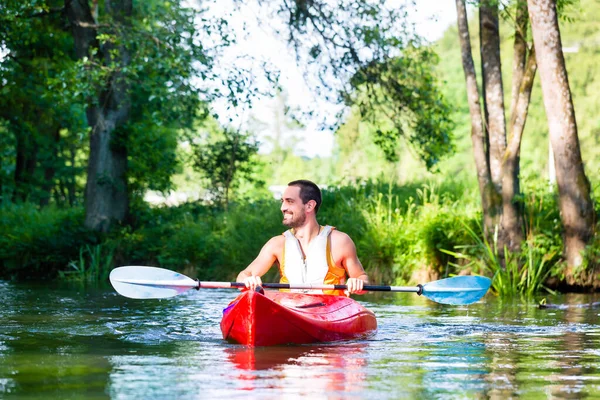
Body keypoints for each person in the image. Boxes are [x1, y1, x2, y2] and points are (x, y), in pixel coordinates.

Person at [236, 179, 369, 296]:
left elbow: (362, 279)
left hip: (328, 310)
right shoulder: (276, 244)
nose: (283, 207)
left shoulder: (340, 241)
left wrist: (357, 282)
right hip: (290, 308)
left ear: (309, 205)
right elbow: (243, 275)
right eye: (282, 201)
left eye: (290, 201)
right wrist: (247, 280)